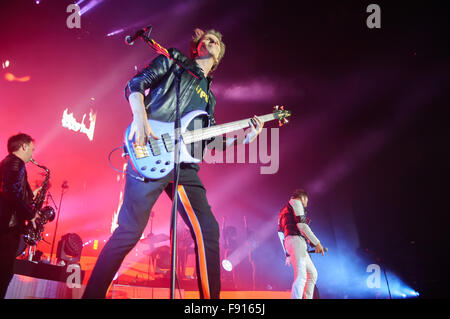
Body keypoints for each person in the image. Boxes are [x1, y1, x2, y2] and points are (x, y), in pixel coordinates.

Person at [82, 28, 263, 299]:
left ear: (218, 58)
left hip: (184, 165)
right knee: (129, 231)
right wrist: (140, 118)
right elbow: (135, 84)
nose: (211, 42)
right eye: (207, 39)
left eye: (217, 42)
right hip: (150, 149)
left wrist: (246, 138)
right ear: (197, 47)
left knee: (208, 229)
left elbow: (207, 142)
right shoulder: (174, 60)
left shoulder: (209, 99)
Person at [0, 133, 39, 298]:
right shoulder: (16, 164)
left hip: (5, 226)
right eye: (31, 149)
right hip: (7, 229)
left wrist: (30, 196)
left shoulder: (8, 163)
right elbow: (11, 193)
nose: (32, 154)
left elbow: (12, 191)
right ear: (23, 146)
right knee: (4, 273)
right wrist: (31, 215)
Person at [278, 189, 325, 299]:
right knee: (301, 275)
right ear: (302, 197)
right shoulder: (296, 202)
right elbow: (302, 225)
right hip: (296, 241)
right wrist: (316, 243)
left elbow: (280, 234)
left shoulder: (282, 211)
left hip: (292, 242)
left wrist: (287, 254)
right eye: (306, 200)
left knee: (312, 274)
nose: (306, 204)